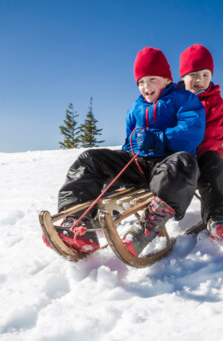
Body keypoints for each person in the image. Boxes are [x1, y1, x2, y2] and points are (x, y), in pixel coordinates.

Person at [43, 47, 206, 257]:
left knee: (184, 162)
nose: (146, 87)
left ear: (167, 79)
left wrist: (158, 139)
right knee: (89, 159)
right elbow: (128, 145)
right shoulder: (134, 108)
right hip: (138, 166)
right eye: (140, 82)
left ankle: (144, 230)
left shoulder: (184, 100)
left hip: (168, 166)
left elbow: (192, 133)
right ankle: (77, 221)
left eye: (152, 79)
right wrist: (124, 164)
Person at [177, 44, 223, 241]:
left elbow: (215, 134)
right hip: (177, 158)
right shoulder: (173, 100)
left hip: (204, 156)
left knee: (215, 165)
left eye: (205, 75)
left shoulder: (214, 101)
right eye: (194, 74)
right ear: (183, 76)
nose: (200, 80)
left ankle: (217, 216)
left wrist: (193, 154)